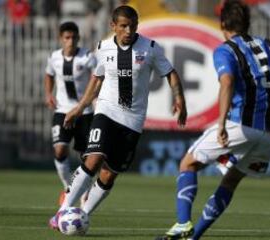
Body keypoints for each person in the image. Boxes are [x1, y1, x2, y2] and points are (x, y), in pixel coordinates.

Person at [155, 1, 270, 240]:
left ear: (223, 23)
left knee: (188, 164)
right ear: (247, 23)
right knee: (231, 180)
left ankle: (183, 223)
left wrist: (221, 124)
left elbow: (226, 82)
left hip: (240, 125)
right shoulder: (268, 45)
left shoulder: (225, 49)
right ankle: (193, 237)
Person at [48, 5, 187, 229]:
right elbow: (97, 79)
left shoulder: (150, 48)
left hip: (133, 120)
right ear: (113, 26)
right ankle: (62, 212)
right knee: (93, 158)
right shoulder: (103, 47)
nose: (128, 30)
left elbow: (170, 73)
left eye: (132, 26)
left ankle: (82, 215)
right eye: (123, 26)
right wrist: (80, 107)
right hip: (107, 111)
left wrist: (180, 99)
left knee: (109, 175)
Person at [44, 21, 97, 205]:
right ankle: (68, 187)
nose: (71, 41)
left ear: (78, 38)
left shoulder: (87, 57)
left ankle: (83, 190)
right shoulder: (54, 57)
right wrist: (48, 93)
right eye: (67, 38)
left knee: (87, 157)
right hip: (63, 111)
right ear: (61, 39)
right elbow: (49, 75)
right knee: (60, 149)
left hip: (85, 112)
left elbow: (97, 78)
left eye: (74, 37)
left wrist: (93, 98)